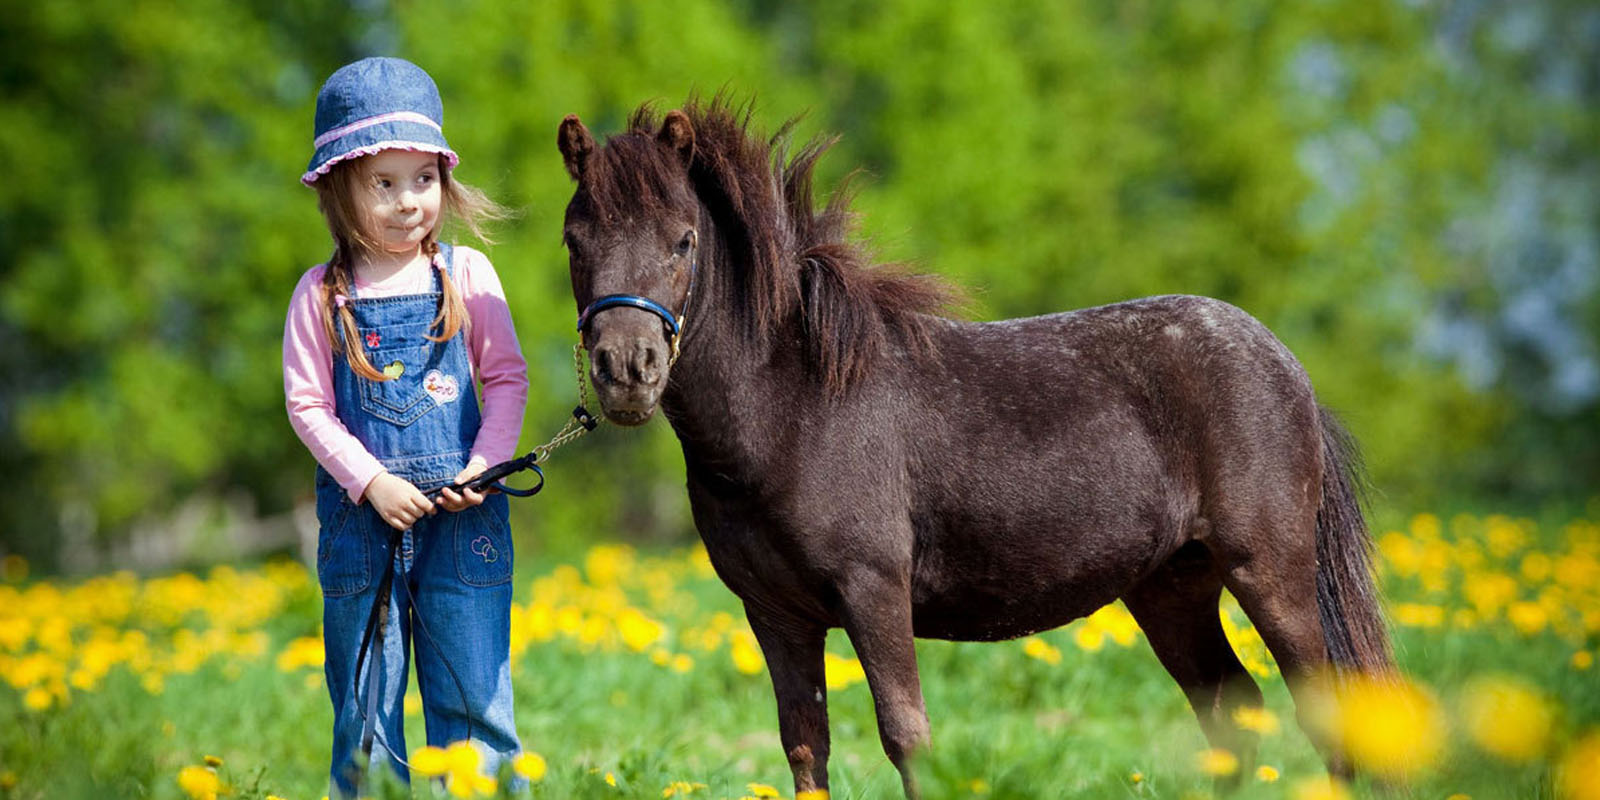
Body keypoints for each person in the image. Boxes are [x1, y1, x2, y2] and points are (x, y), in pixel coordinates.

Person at [282, 56, 527, 797]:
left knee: (474, 705)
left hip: (466, 521)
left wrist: (481, 468)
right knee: (365, 711)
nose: (407, 201)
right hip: (363, 525)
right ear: (338, 189)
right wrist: (373, 481)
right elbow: (307, 405)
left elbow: (507, 378)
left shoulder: (470, 275)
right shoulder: (320, 296)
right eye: (382, 184)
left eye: (421, 179)